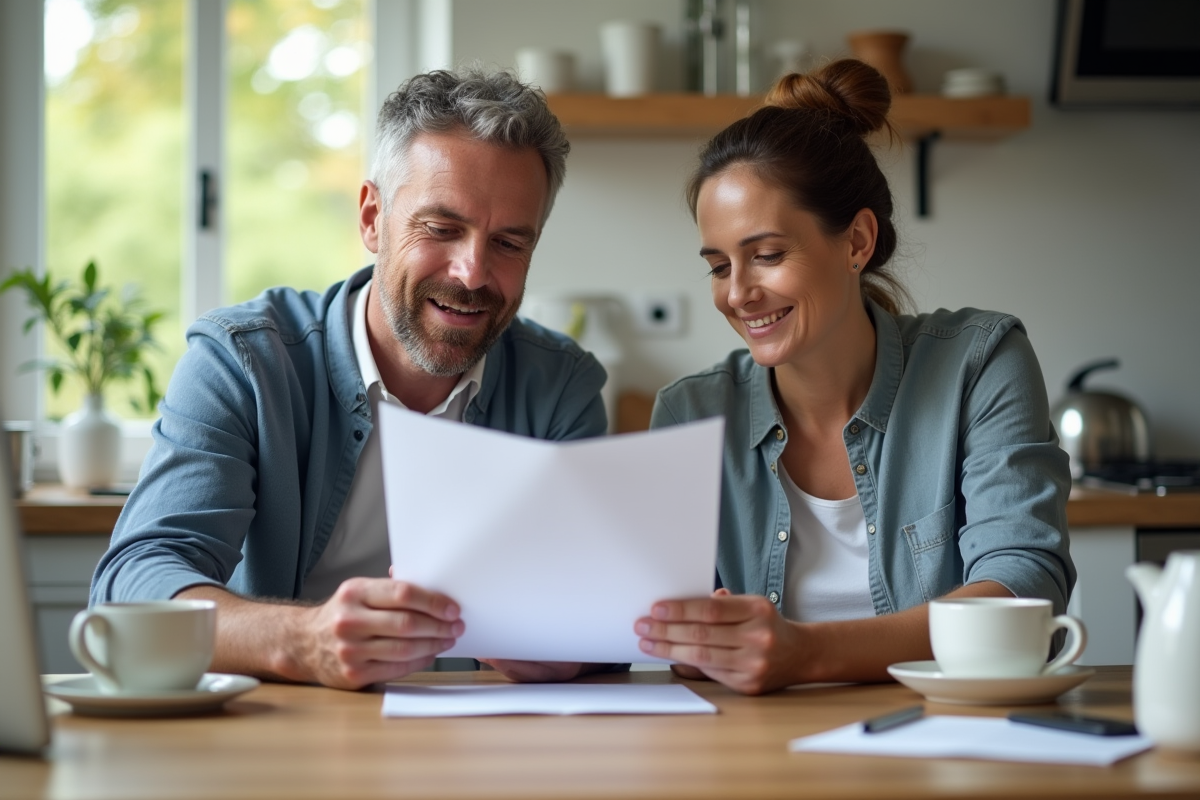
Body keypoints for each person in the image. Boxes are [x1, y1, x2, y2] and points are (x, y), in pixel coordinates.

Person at [91, 68, 611, 689]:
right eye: (441, 229)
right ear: (372, 218)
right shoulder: (243, 361)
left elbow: (601, 611)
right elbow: (132, 586)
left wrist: (572, 646)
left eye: (508, 242)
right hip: (271, 738)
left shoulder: (560, 387)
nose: (472, 273)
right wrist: (303, 641)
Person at [634, 59, 1074, 695]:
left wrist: (804, 653)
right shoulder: (690, 413)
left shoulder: (979, 362)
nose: (738, 294)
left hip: (943, 732)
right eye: (718, 266)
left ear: (857, 242)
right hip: (752, 751)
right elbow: (672, 630)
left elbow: (1025, 582)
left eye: (767, 255)